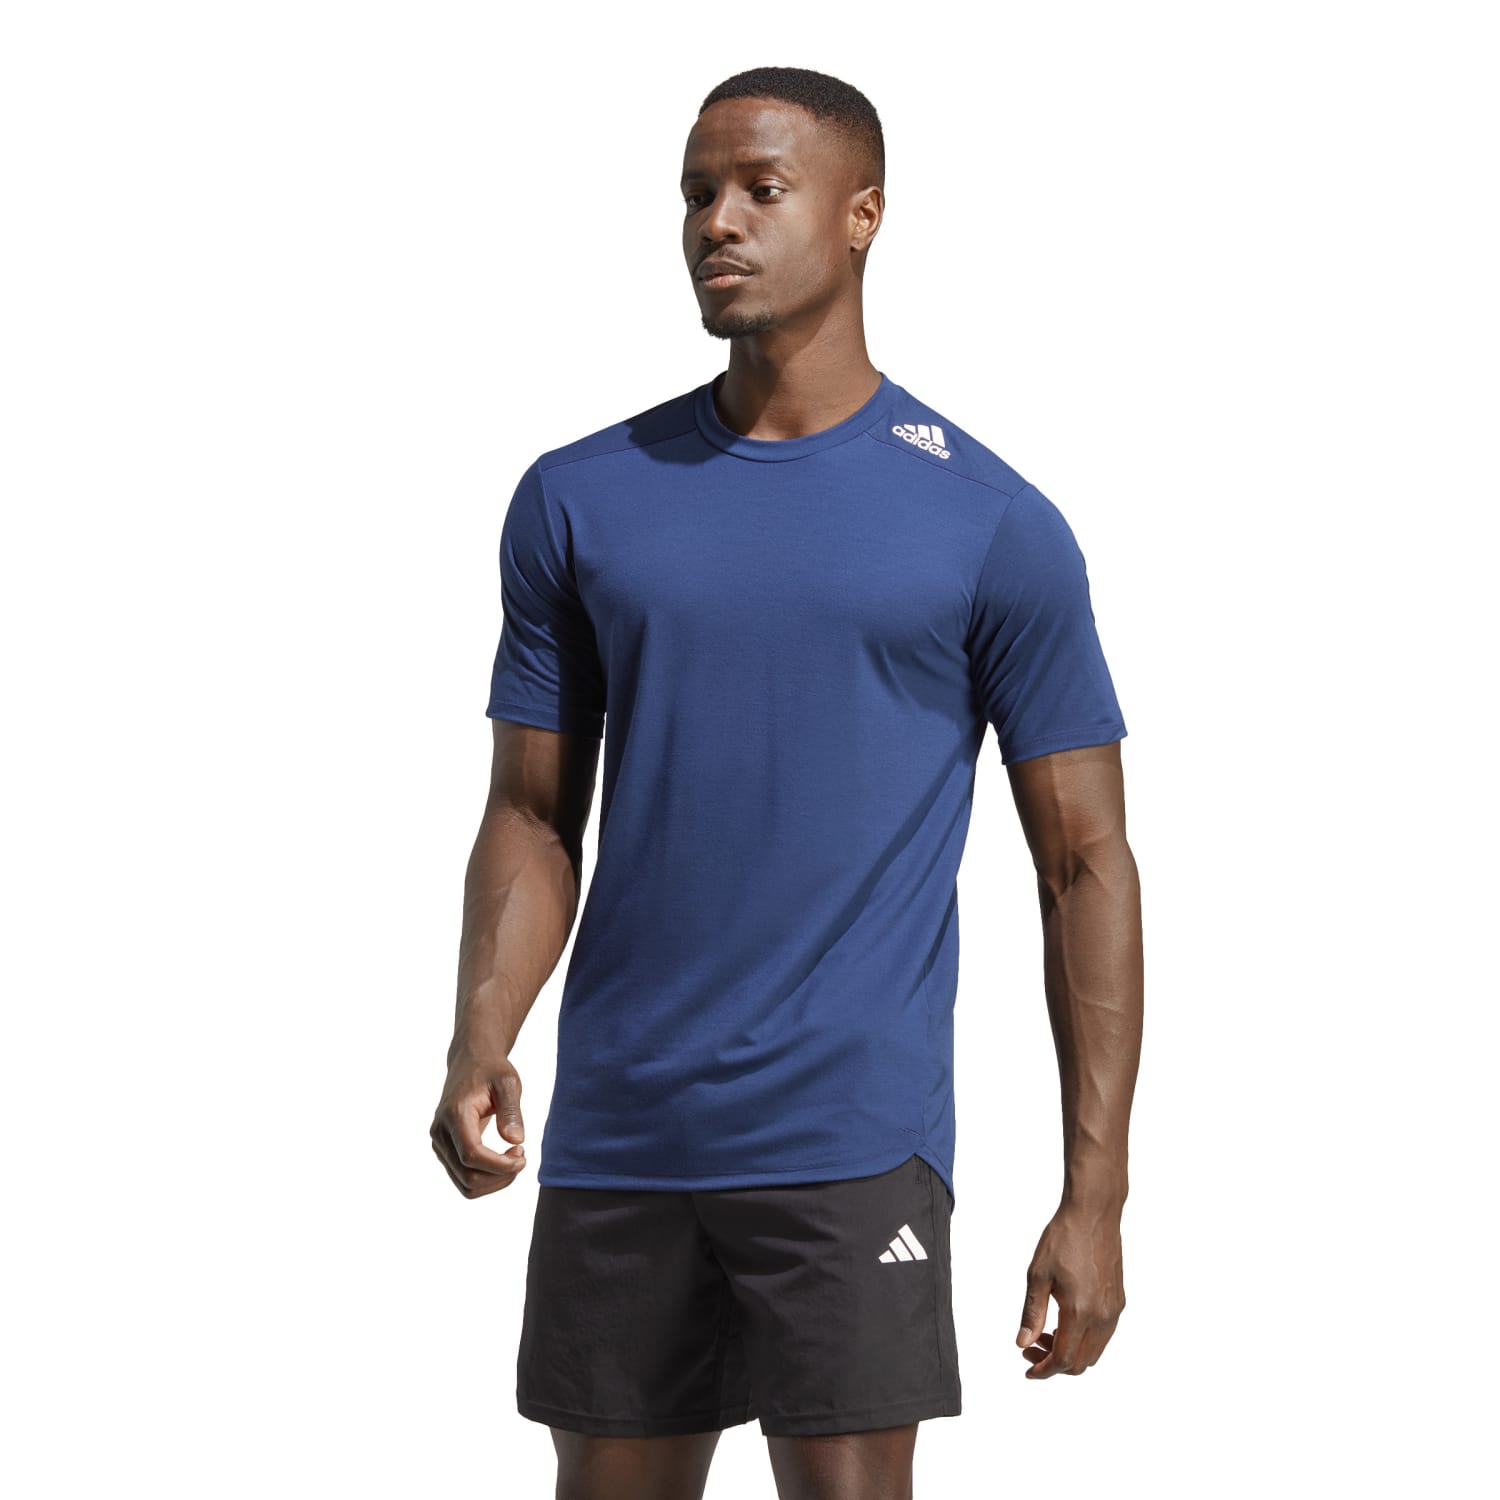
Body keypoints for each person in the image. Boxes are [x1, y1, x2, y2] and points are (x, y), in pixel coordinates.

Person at [430, 64, 1143, 1500]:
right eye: (698, 193)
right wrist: (480, 1031)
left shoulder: (989, 522)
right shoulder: (581, 495)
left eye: (762, 189)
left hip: (850, 1143)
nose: (719, 221)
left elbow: (1084, 862)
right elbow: (531, 810)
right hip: (623, 1134)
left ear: (863, 213)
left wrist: (1097, 1197)